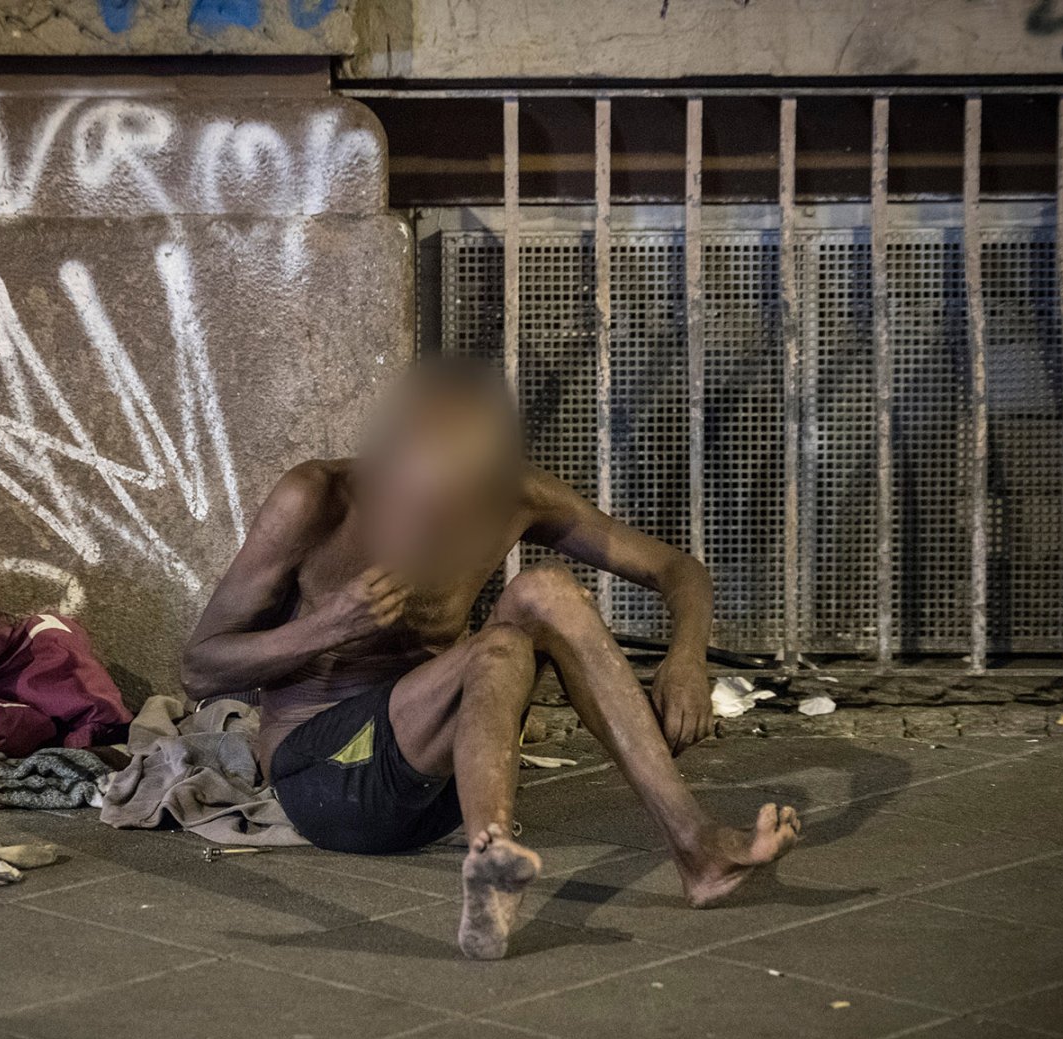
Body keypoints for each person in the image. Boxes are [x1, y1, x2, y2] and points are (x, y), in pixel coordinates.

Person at [181, 359, 799, 960]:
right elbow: (200, 670)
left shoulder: (509, 495)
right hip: (328, 783)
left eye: (463, 494)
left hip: (439, 785)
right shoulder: (315, 499)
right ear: (392, 461)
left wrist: (686, 658)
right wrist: (326, 626)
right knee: (498, 648)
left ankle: (694, 847)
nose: (442, 520)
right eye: (425, 497)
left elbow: (677, 568)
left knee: (545, 592)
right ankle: (492, 860)